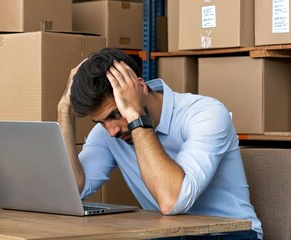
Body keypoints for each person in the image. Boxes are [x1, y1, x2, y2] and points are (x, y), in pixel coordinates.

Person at [57, 48, 262, 240]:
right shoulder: (109, 132)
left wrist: (135, 116)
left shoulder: (206, 114)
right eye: (100, 122)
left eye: (115, 114)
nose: (111, 130)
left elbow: (172, 201)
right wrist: (63, 111)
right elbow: (72, 191)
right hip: (171, 234)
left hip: (232, 233)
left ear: (141, 88)